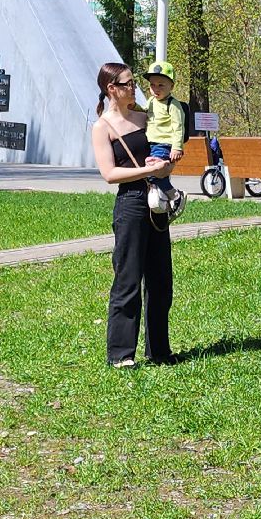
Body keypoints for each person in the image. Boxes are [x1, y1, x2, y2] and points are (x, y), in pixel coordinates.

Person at [91, 61, 175, 368]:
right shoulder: (103, 127)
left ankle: (160, 351)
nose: (134, 88)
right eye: (127, 84)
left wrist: (166, 166)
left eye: (132, 83)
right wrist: (146, 171)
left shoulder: (146, 117)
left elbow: (166, 149)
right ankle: (121, 355)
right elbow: (109, 174)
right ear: (112, 89)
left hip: (157, 201)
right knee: (127, 279)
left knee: (161, 280)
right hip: (130, 204)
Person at [142, 60, 187, 207]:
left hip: (164, 144)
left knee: (153, 172)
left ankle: (175, 195)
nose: (156, 89)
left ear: (171, 86)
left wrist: (177, 147)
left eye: (161, 85)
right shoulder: (151, 101)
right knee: (152, 174)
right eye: (152, 85)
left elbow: (178, 127)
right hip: (151, 143)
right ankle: (164, 201)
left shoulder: (173, 105)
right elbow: (143, 112)